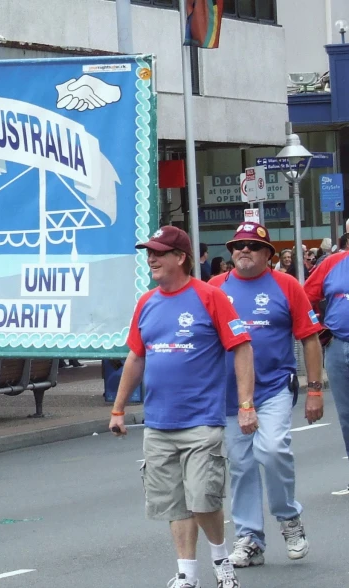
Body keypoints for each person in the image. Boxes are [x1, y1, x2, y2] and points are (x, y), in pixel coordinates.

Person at [109, 226, 256, 588]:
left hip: (201, 420)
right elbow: (135, 357)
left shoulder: (210, 297)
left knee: (203, 499)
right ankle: (187, 573)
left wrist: (246, 403)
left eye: (159, 252)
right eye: (149, 253)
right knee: (174, 503)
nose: (152, 258)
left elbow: (242, 347)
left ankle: (221, 559)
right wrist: (118, 409)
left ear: (181, 257)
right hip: (158, 423)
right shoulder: (147, 302)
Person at [209, 222, 323, 568]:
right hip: (229, 394)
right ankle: (250, 538)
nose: (244, 250)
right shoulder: (215, 287)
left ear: (269, 255)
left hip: (273, 387)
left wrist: (314, 389)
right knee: (242, 465)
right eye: (238, 245)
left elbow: (310, 338)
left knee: (272, 450)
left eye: (252, 246)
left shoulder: (286, 285)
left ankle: (288, 518)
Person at [305, 243, 349, 495]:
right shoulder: (333, 263)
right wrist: (319, 329)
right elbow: (306, 296)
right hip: (338, 345)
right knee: (346, 416)